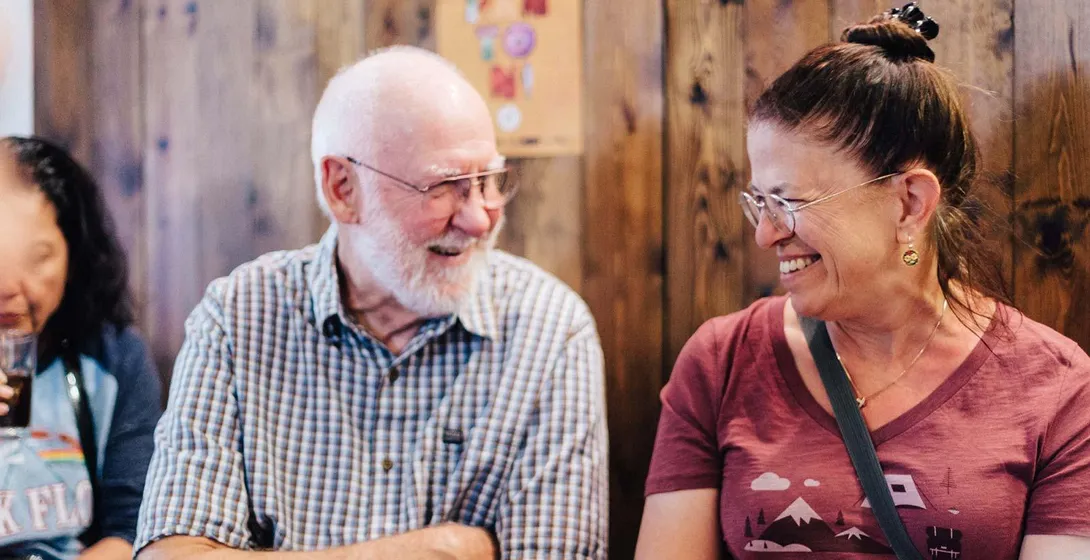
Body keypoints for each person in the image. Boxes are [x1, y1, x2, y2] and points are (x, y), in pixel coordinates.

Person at [635, 5, 1090, 559]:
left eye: (791, 202)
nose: (766, 235)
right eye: (761, 202)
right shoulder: (722, 360)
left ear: (909, 203)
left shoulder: (1057, 389)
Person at [134, 46, 608, 560]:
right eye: (445, 187)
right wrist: (440, 550)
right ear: (342, 188)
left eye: (488, 181)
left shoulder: (549, 329)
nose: (480, 219)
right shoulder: (239, 317)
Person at [0, 136, 163, 559]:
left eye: (36, 256)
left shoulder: (113, 357)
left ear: (74, 258)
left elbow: (135, 527)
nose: (7, 285)